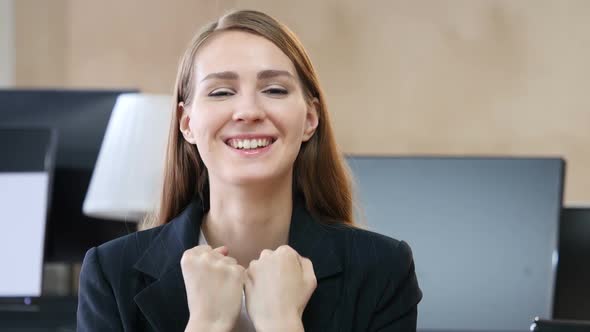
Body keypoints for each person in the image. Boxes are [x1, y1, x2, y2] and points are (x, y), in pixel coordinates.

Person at [77, 9, 422, 332]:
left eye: (274, 89)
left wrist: (282, 321)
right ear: (187, 123)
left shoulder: (383, 270)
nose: (248, 111)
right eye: (221, 92)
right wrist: (206, 323)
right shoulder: (111, 273)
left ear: (310, 119)